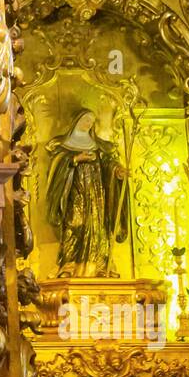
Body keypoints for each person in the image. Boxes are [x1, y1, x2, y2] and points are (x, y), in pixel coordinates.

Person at [46, 109, 128, 277]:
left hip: (97, 196)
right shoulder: (64, 146)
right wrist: (75, 160)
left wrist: (117, 171)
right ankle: (69, 265)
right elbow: (57, 167)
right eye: (85, 120)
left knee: (98, 228)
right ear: (76, 121)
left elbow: (108, 163)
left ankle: (100, 265)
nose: (88, 124)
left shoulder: (98, 146)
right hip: (74, 193)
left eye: (91, 121)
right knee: (74, 224)